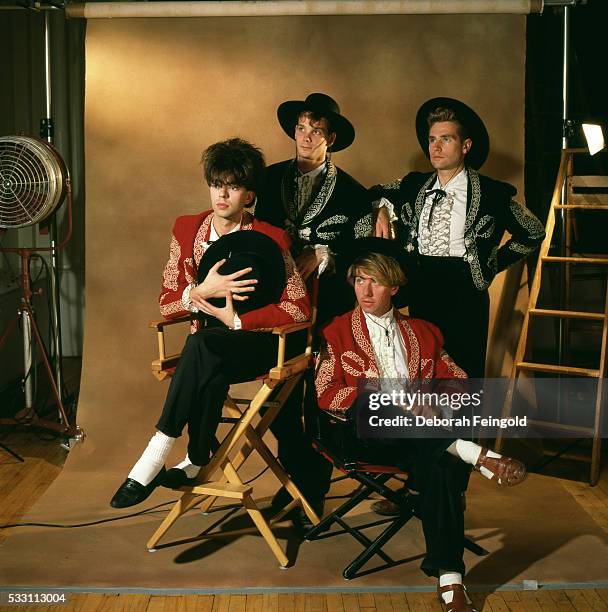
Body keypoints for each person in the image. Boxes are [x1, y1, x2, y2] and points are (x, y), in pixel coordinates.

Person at [315, 239, 526, 612]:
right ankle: (475, 453)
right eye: (359, 280)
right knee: (387, 409)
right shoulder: (337, 331)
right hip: (363, 434)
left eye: (375, 281)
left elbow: (457, 378)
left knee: (441, 461)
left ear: (394, 287)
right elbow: (325, 393)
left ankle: (451, 581)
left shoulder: (425, 332)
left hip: (421, 440)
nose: (365, 290)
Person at [110, 138, 311, 509]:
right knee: (204, 353)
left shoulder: (270, 237)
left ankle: (154, 457)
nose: (222, 194)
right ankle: (199, 456)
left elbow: (299, 309)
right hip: (209, 348)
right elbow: (167, 301)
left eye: (234, 187)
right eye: (217, 184)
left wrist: (237, 318)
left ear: (248, 195)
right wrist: (201, 290)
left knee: (201, 347)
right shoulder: (187, 231)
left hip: (261, 344)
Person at [372, 97, 545, 380]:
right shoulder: (413, 185)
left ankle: (466, 425)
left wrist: (490, 264)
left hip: (465, 289)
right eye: (432, 139)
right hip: (420, 283)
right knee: (421, 367)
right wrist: (379, 208)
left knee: (463, 372)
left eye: (446, 139)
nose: (436, 147)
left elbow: (533, 230)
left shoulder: (491, 193)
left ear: (465, 146)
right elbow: (371, 192)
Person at [255, 92, 373, 326]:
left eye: (316, 131)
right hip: (272, 290)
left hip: (327, 299)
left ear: (331, 138)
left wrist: (322, 253)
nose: (305, 138)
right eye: (301, 129)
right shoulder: (269, 178)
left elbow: (360, 251)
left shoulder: (353, 192)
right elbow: (257, 229)